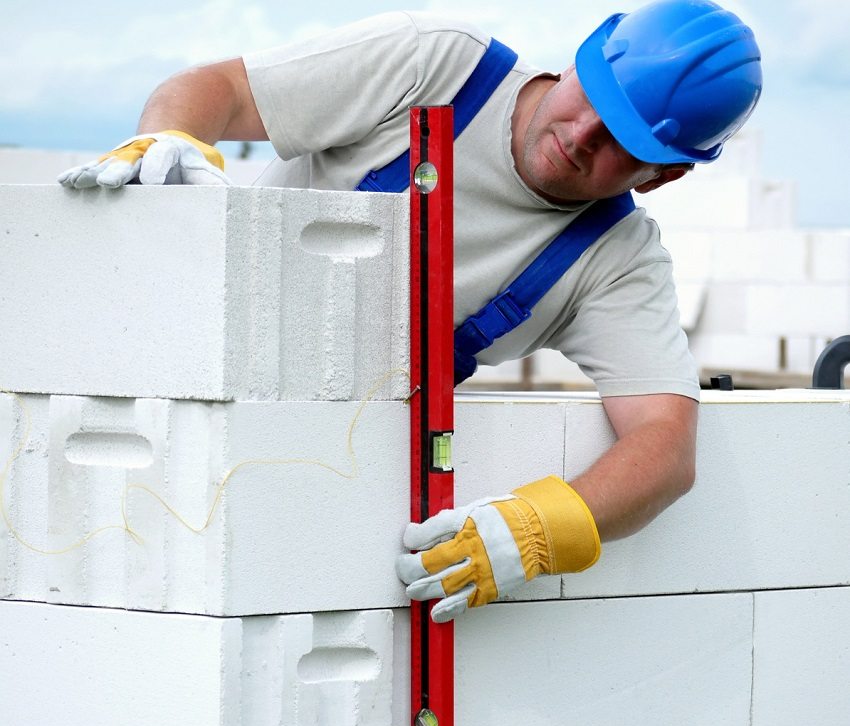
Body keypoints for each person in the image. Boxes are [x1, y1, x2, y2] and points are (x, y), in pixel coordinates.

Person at [58, 0, 762, 623]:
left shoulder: (615, 259)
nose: (582, 136)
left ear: (664, 174)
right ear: (582, 57)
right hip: (168, 389)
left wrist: (539, 530)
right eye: (593, 101)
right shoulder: (438, 64)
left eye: (621, 144)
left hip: (310, 488)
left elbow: (666, 449)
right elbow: (220, 89)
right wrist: (173, 136)